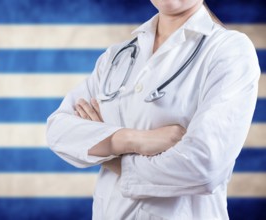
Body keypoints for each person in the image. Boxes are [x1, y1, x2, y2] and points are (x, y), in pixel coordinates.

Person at [46, 0, 260, 219]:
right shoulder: (117, 56)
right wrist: (131, 140)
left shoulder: (229, 50)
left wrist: (107, 154)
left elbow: (203, 166)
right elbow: (58, 130)